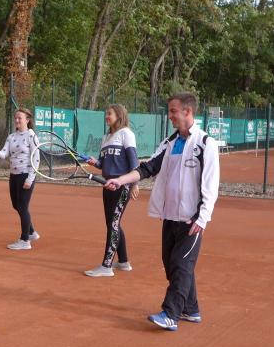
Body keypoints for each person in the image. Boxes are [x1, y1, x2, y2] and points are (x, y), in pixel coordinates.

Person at [105, 93, 220, 331]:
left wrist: (202, 217)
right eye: (169, 111)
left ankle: (171, 314)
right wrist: (121, 180)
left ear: (188, 112)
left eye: (173, 111)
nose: (170, 116)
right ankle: (191, 309)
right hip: (169, 216)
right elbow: (148, 168)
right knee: (172, 264)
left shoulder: (205, 143)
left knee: (181, 264)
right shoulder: (169, 142)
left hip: (191, 219)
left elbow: (211, 184)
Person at [84, 104, 140, 277]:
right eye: (106, 114)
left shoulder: (126, 134)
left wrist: (135, 184)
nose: (106, 116)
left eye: (109, 114)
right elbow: (103, 164)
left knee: (113, 224)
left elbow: (134, 161)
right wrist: (95, 162)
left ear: (119, 116)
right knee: (112, 223)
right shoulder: (106, 137)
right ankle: (123, 262)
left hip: (122, 186)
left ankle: (107, 266)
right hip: (107, 185)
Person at [0, 108, 40, 250]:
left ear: (27, 120)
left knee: (23, 206)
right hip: (14, 175)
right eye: (16, 118)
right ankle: (32, 232)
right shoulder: (11, 136)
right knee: (16, 205)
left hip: (26, 175)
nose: (17, 120)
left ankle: (25, 240)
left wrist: (30, 179)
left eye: (20, 118)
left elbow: (36, 159)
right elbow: (4, 154)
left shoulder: (31, 136)